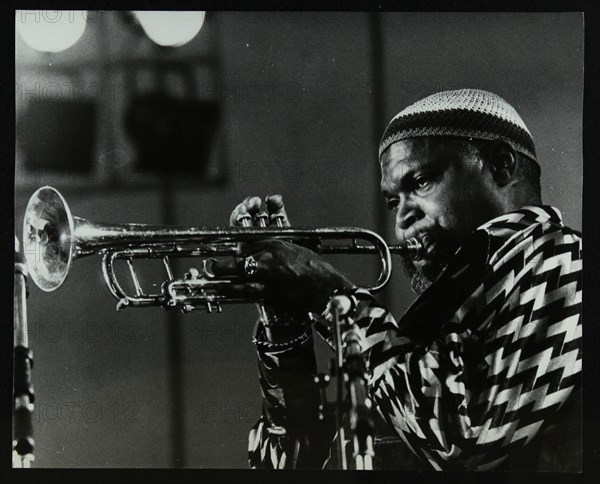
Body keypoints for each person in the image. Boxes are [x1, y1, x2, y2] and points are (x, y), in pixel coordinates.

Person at [220, 89, 582, 471]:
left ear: (501, 165)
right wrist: (285, 329)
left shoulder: (561, 255)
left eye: (421, 182)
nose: (401, 221)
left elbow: (469, 438)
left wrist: (334, 300)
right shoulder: (434, 317)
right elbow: (289, 465)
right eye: (393, 201)